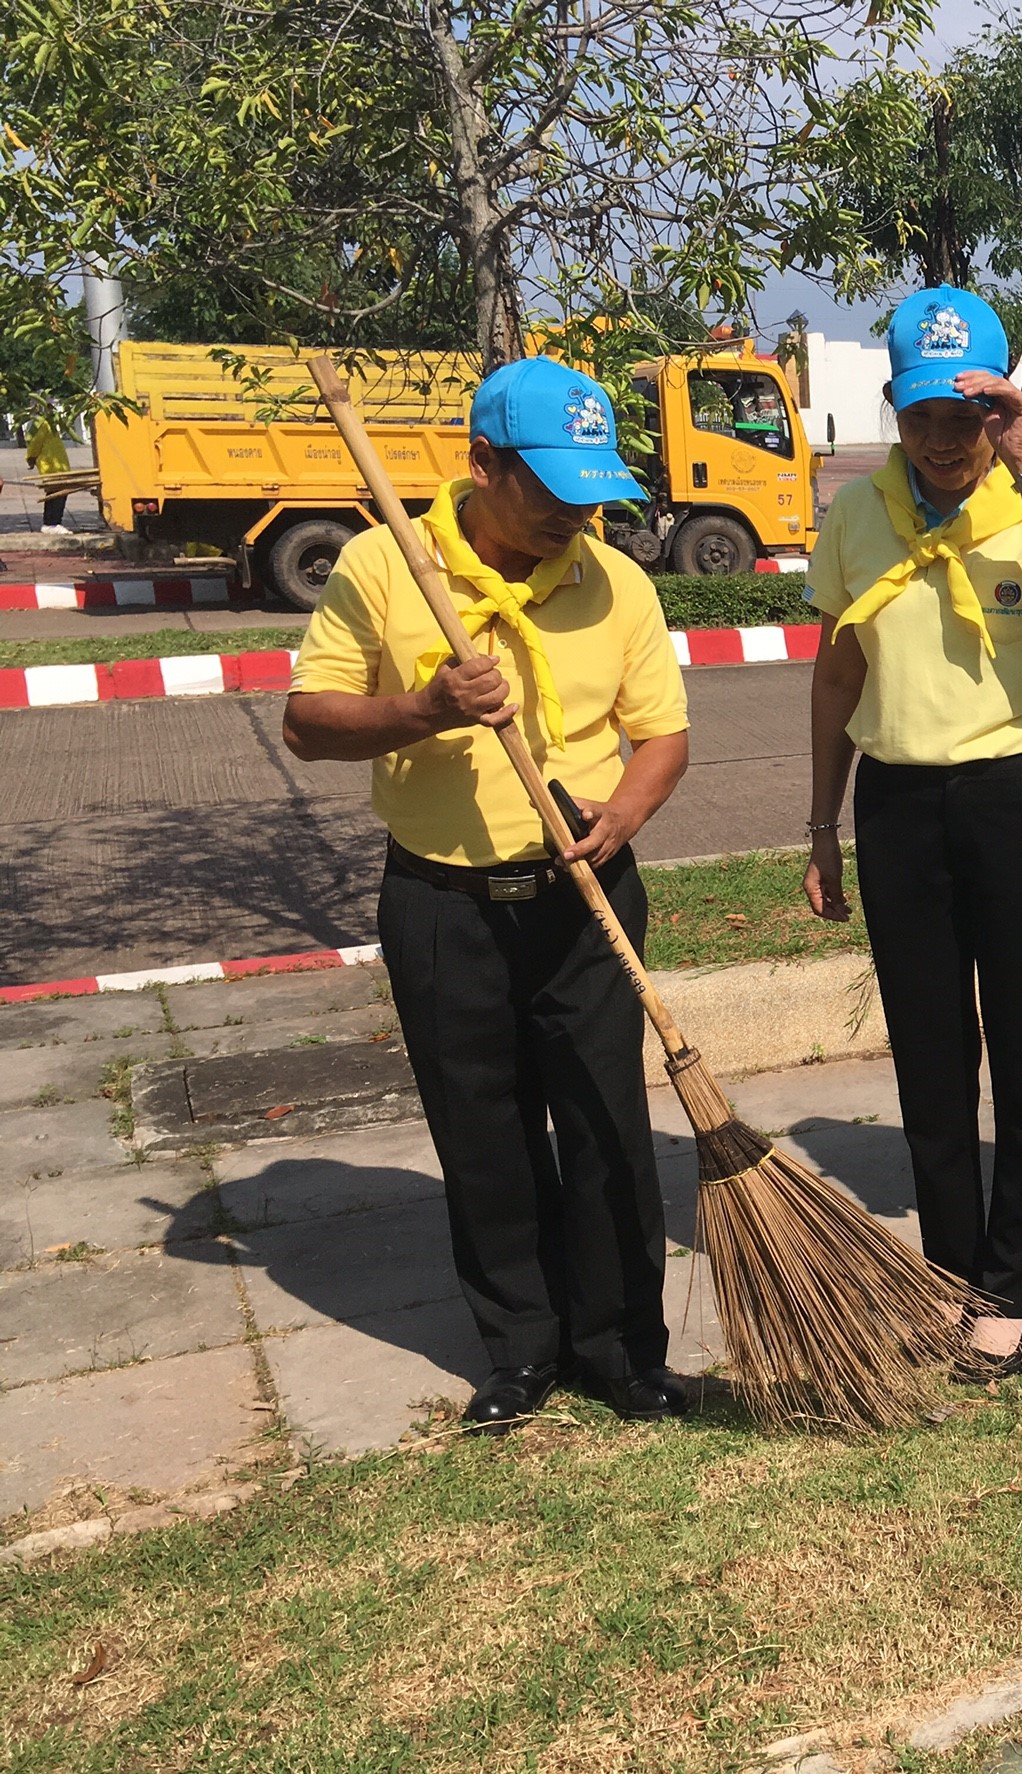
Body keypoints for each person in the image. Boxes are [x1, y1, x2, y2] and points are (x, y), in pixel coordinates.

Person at [283, 359, 693, 1433]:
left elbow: (664, 734)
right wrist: (421, 710)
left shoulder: (616, 581)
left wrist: (626, 815)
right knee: (484, 1130)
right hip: (443, 906)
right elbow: (308, 722)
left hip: (585, 898)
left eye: (592, 488)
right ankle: (522, 1346)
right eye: (553, 488)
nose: (576, 511)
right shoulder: (388, 567)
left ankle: (621, 1348)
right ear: (483, 465)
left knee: (607, 1123)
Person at [802, 286, 1022, 1379]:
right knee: (931, 1059)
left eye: (971, 414)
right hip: (899, 805)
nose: (946, 441)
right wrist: (820, 822)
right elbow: (838, 667)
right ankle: (948, 1268)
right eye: (925, 415)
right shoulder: (855, 515)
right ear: (895, 407)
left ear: (1003, 407)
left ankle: (1009, 1287)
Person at [25, 417, 70, 533]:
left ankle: (53, 522)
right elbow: (35, 442)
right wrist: (31, 457)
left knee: (58, 491)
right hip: (50, 464)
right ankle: (51, 523)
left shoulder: (50, 421)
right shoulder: (40, 423)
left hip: (59, 463)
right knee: (56, 491)